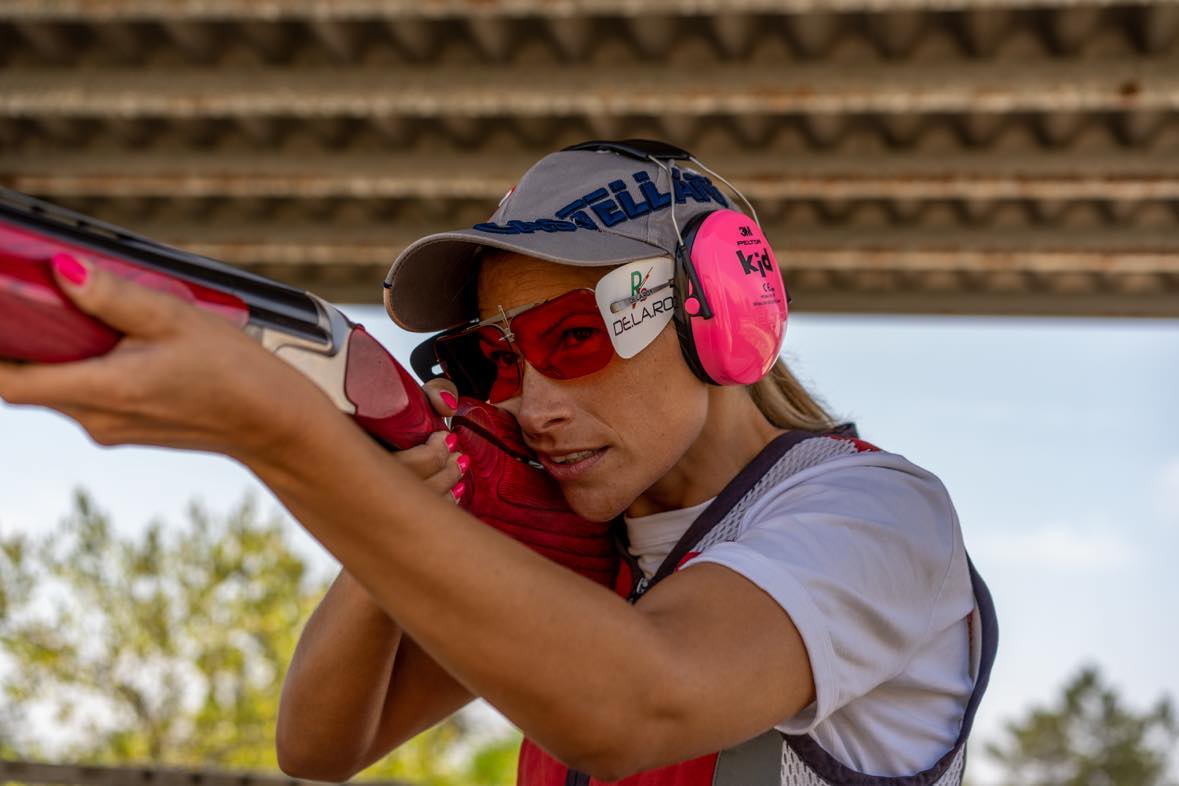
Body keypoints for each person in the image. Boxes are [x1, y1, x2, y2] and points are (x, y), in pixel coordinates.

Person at [0, 140, 996, 786]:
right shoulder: (569, 531)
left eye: (572, 337)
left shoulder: (875, 514)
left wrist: (285, 436)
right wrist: (413, 487)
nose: (531, 402)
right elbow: (320, 746)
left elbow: (631, 707)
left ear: (721, 306)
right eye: (491, 359)